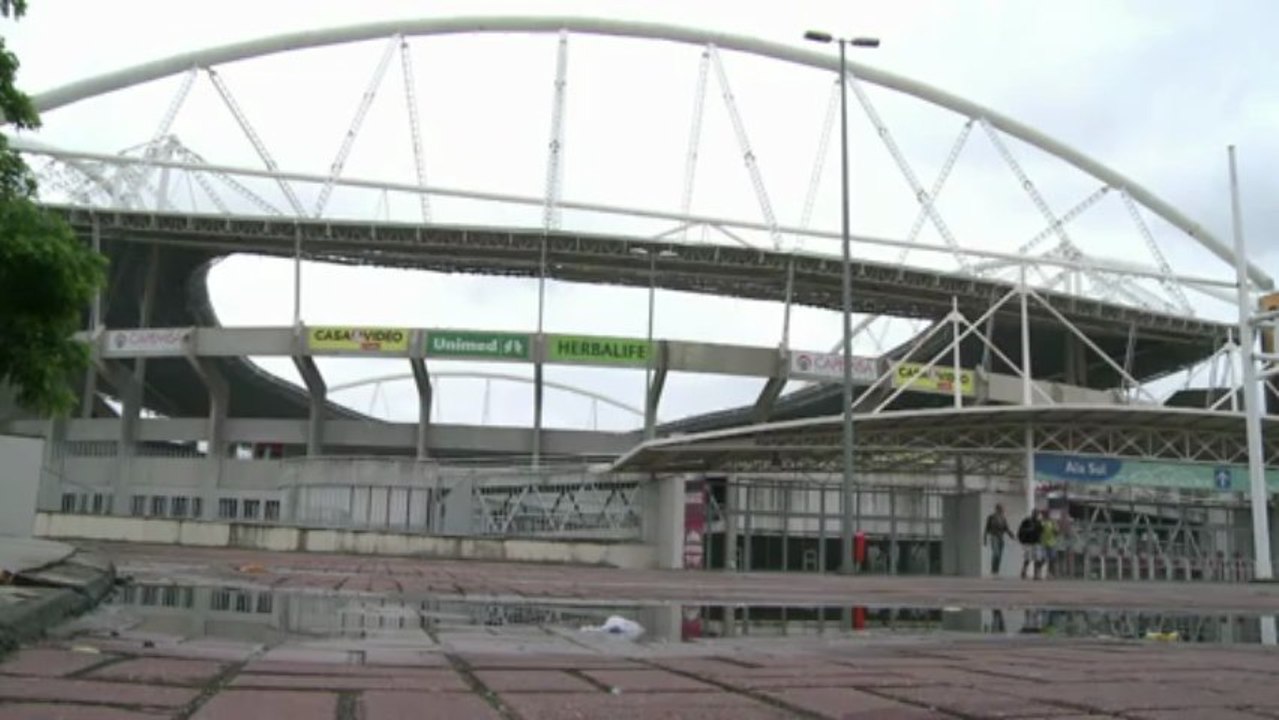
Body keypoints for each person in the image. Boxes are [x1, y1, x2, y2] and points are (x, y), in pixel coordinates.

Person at [984, 504, 1015, 576]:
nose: (1002, 510)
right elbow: (986, 528)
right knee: (996, 553)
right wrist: (985, 539)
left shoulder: (1003, 518)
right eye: (1000, 509)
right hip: (994, 536)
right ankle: (993, 569)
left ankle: (996, 571)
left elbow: (1007, 528)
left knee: (1000, 555)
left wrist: (1012, 536)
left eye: (1002, 509)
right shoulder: (991, 517)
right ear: (996, 509)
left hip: (1001, 537)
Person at [1017, 510, 1045, 580]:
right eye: (1035, 514)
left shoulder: (1039, 522)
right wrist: (1030, 530)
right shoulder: (1027, 521)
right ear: (1032, 514)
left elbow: (1041, 532)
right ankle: (1024, 571)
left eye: (1037, 514)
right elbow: (1021, 530)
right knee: (1027, 558)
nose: (1036, 515)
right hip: (1028, 542)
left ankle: (1036, 575)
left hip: (1037, 542)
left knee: (1038, 559)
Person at [1040, 512, 1059, 579]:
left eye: (1048, 514)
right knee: (1044, 558)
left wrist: (1056, 531)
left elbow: (1057, 531)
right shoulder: (1042, 522)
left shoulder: (1052, 522)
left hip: (1051, 543)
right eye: (1046, 514)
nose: (1047, 516)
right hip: (1043, 543)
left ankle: (1050, 574)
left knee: (1052, 559)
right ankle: (1038, 570)